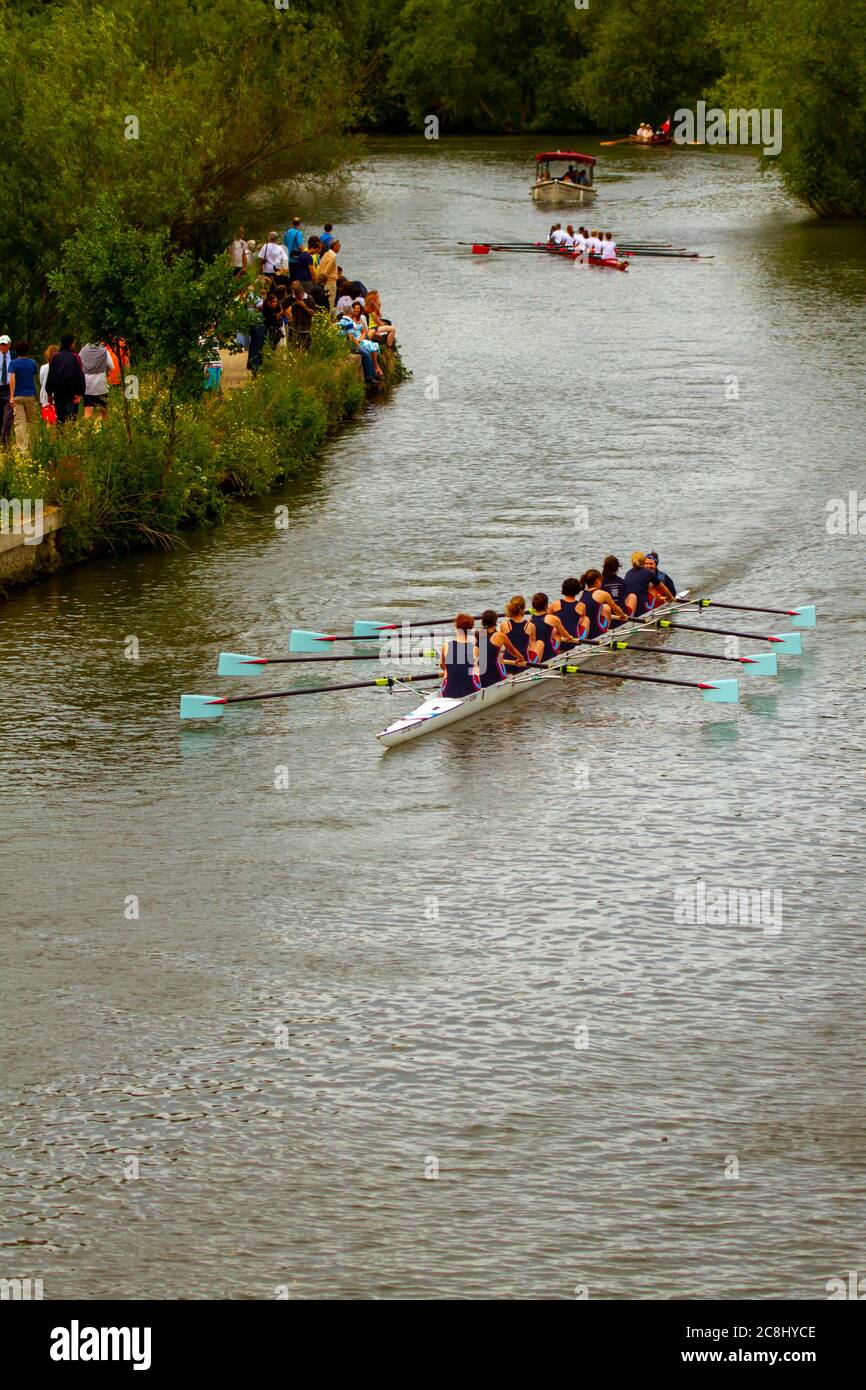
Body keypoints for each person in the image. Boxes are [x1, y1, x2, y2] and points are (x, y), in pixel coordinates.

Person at [476, 610, 526, 686]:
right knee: (499, 658)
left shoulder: (479, 634)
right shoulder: (500, 635)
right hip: (495, 674)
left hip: (481, 675)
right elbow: (512, 651)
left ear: (483, 621)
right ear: (495, 621)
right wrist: (521, 658)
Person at [46, 333, 86, 424]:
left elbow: (50, 375)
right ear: (72, 344)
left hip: (58, 393)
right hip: (71, 394)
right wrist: (80, 393)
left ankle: (61, 436)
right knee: (71, 418)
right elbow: (80, 375)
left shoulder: (55, 357)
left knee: (60, 419)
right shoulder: (75, 357)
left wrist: (49, 393)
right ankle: (69, 437)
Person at [577, 569, 628, 638]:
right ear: (597, 581)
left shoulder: (584, 593)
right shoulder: (603, 594)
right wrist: (623, 616)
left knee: (602, 608)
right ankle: (604, 632)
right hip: (596, 632)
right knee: (606, 607)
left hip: (586, 630)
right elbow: (616, 609)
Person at [439, 614, 480, 698]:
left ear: (456, 626)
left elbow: (442, 666)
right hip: (470, 691)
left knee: (447, 669)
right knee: (475, 669)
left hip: (447, 693)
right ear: (470, 629)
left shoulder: (445, 646)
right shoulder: (475, 649)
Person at [8, 341, 40, 450]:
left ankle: (22, 448)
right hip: (30, 395)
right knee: (33, 421)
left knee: (19, 423)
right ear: (28, 351)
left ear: (16, 351)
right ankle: (33, 445)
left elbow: (12, 380)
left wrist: (11, 396)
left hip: (17, 396)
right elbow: (35, 377)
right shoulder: (32, 362)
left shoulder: (13, 363)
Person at [623, 551, 674, 616]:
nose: (648, 566)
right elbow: (663, 588)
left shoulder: (628, 573)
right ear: (643, 562)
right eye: (647, 563)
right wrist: (670, 598)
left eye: (651, 564)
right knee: (653, 588)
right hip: (642, 609)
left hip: (629, 606)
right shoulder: (648, 573)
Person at [529, 592, 576, 663]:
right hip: (549, 654)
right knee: (557, 633)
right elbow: (565, 635)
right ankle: (557, 651)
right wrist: (570, 637)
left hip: (537, 652)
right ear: (546, 605)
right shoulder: (553, 618)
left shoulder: (530, 619)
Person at [549, 578, 589, 646]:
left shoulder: (555, 604)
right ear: (578, 591)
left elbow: (547, 620)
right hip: (574, 641)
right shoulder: (582, 606)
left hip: (559, 642)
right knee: (586, 619)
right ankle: (583, 643)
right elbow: (582, 618)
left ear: (563, 589)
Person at [500, 596, 538, 666]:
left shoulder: (503, 625)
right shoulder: (531, 626)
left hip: (507, 663)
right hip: (523, 663)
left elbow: (500, 645)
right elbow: (532, 646)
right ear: (523, 608)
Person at [79, 342, 111, 416]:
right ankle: (106, 427)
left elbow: (79, 365)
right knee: (104, 411)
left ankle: (86, 427)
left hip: (87, 386)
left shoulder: (82, 351)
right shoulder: (104, 351)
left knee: (88, 411)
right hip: (101, 385)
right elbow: (111, 366)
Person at [288, 281, 315, 347]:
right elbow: (283, 306)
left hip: (305, 328)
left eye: (299, 297)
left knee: (305, 348)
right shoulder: (292, 298)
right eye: (296, 297)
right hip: (294, 327)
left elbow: (313, 314)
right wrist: (288, 316)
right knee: (293, 347)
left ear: (302, 293)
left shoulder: (309, 299)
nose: (297, 298)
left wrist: (304, 306)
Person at [316, 237, 340, 306]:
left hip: (324, 282)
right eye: (339, 245)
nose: (339, 247)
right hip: (330, 282)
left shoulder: (325, 255)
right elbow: (326, 271)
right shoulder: (332, 256)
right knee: (330, 303)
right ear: (334, 246)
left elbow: (319, 269)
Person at [39, 345, 59, 421]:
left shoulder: (43, 367)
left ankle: (49, 433)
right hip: (58, 396)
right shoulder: (60, 366)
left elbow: (42, 381)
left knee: (49, 421)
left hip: (46, 397)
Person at [0, 334, 14, 444]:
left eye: (5, 344)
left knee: (7, 418)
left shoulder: (13, 356)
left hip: (9, 389)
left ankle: (5, 442)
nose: (3, 347)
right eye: (1, 345)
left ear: (9, 345)